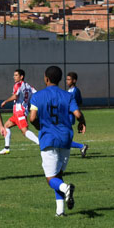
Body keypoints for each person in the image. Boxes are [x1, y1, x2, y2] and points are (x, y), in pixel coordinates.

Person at [28, 66, 86, 217]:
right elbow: (78, 114)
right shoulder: (67, 96)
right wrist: (82, 122)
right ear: (60, 79)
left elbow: (32, 118)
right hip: (65, 138)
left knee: (51, 179)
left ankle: (66, 188)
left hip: (49, 138)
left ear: (46, 78)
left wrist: (39, 126)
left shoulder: (38, 96)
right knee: (58, 174)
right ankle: (60, 211)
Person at [0, 69, 39, 154]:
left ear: (21, 77)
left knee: (25, 131)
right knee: (6, 126)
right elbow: (36, 94)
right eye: (14, 75)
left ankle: (40, 143)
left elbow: (15, 96)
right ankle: (6, 148)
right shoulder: (28, 86)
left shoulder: (17, 85)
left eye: (16, 75)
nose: (14, 77)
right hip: (20, 112)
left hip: (19, 112)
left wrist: (5, 101)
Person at [66, 72, 89, 158]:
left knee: (64, 139)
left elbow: (77, 104)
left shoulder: (75, 91)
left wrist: (80, 118)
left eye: (69, 79)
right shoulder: (69, 91)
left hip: (69, 116)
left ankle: (82, 146)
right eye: (66, 79)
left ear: (74, 80)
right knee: (63, 138)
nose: (67, 81)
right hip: (67, 116)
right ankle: (81, 147)